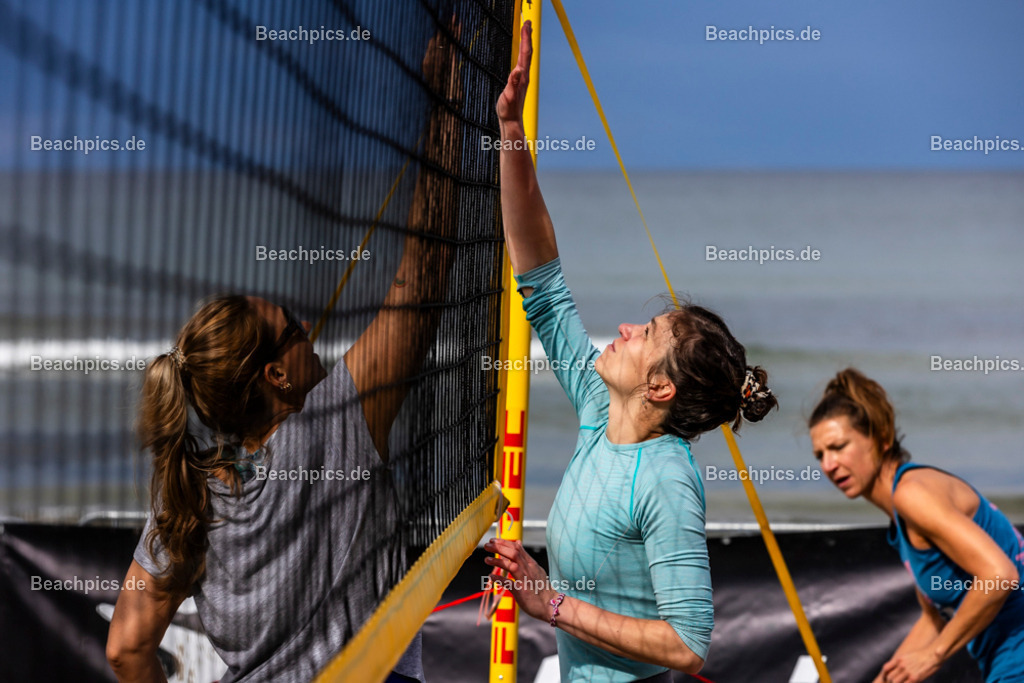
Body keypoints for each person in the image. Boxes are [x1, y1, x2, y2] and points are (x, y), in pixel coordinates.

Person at [105, 25, 464, 683]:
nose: (305, 324)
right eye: (293, 330)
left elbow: (125, 648)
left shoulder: (187, 490)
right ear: (275, 374)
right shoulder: (334, 423)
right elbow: (427, 270)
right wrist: (447, 103)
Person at [482, 21, 778, 682]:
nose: (623, 328)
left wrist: (550, 602)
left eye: (644, 333)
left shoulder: (666, 477)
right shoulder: (597, 407)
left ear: (661, 388)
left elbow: (687, 643)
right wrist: (509, 133)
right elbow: (543, 285)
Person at [809, 368, 1024, 683]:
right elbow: (932, 620)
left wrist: (934, 656)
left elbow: (1000, 576)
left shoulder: (913, 494)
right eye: (820, 455)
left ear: (882, 438)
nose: (828, 465)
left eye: (839, 447)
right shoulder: (902, 515)